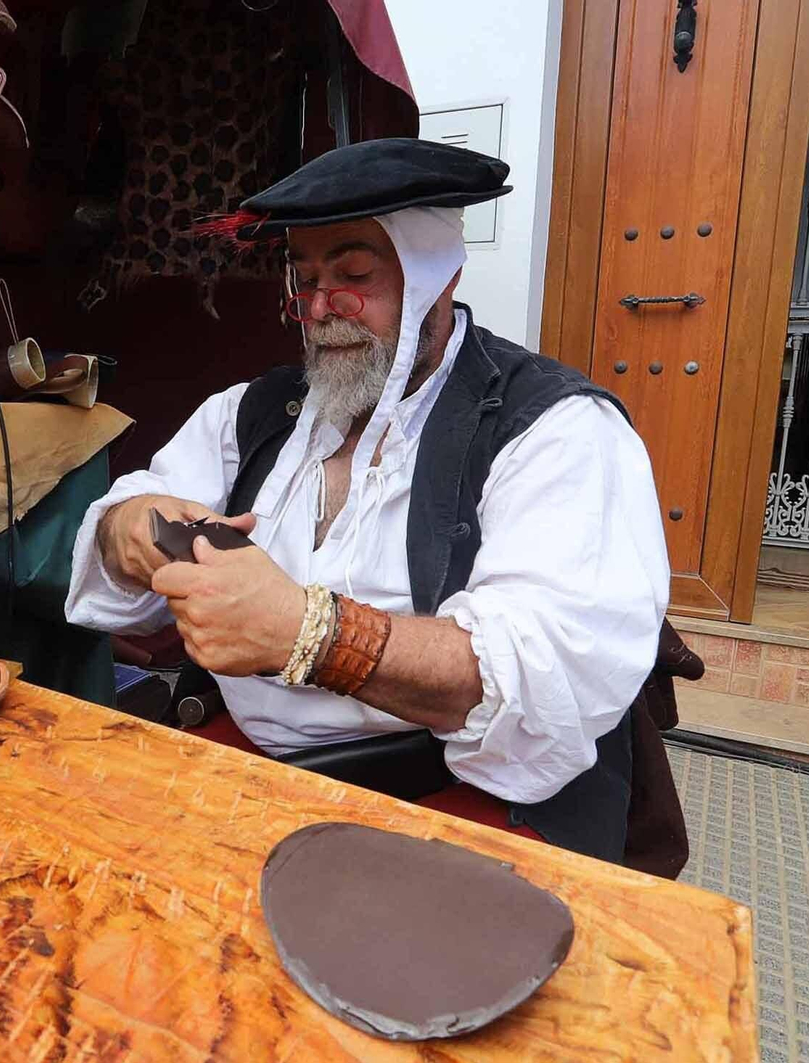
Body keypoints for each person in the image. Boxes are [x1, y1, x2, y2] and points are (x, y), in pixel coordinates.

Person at [65, 139, 672, 863]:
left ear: (436, 280)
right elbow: (127, 515)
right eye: (305, 278)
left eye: (354, 273)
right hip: (250, 765)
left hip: (452, 801)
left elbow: (532, 669)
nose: (322, 309)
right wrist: (132, 530)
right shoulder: (258, 411)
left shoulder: (555, 429)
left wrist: (310, 633)